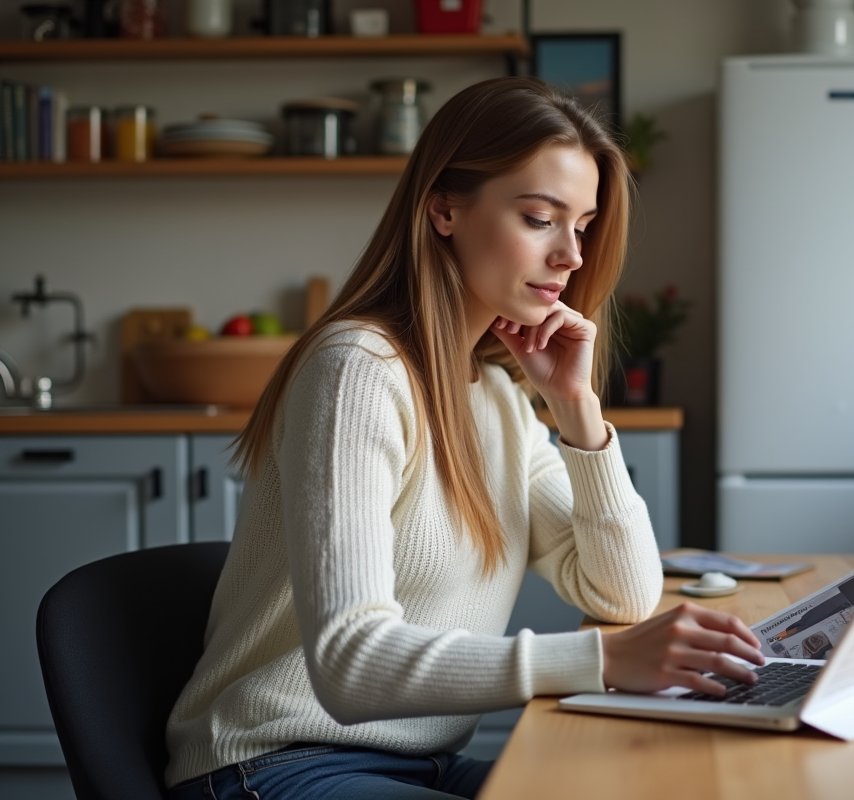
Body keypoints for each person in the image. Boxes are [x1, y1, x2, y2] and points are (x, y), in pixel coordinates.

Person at [164, 77, 766, 800]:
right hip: (275, 763)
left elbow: (627, 592)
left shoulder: (503, 402)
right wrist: (597, 659)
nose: (572, 254)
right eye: (541, 218)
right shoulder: (357, 368)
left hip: (422, 764)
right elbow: (349, 664)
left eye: (583, 224)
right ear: (444, 209)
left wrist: (577, 409)